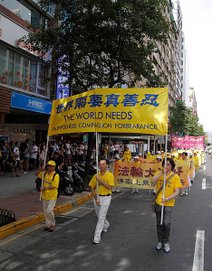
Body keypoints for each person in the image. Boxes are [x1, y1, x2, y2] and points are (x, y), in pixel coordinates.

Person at [152, 158, 182, 253]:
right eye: (165, 164)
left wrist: (168, 199)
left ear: (172, 166)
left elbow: (177, 192)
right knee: (159, 223)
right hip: (158, 202)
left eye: (169, 164)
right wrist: (161, 173)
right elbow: (152, 181)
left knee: (166, 223)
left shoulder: (175, 177)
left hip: (168, 203)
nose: (166, 166)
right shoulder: (159, 173)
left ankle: (166, 241)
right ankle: (160, 241)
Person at [89, 159, 114, 244]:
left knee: (101, 217)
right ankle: (106, 224)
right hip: (97, 197)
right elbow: (92, 187)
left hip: (106, 198)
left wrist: (100, 181)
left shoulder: (110, 175)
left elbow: (110, 187)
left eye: (103, 164)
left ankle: (96, 237)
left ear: (107, 165)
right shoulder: (96, 175)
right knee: (99, 215)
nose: (101, 165)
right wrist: (96, 198)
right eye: (100, 164)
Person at [37, 160, 60, 232]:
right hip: (44, 195)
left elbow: (54, 186)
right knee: (45, 211)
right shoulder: (44, 173)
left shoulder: (56, 175)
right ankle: (48, 225)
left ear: (54, 167)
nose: (48, 167)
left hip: (52, 196)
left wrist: (44, 188)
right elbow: (36, 174)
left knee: (49, 210)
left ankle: (52, 224)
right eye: (48, 165)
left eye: (50, 166)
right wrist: (41, 169)